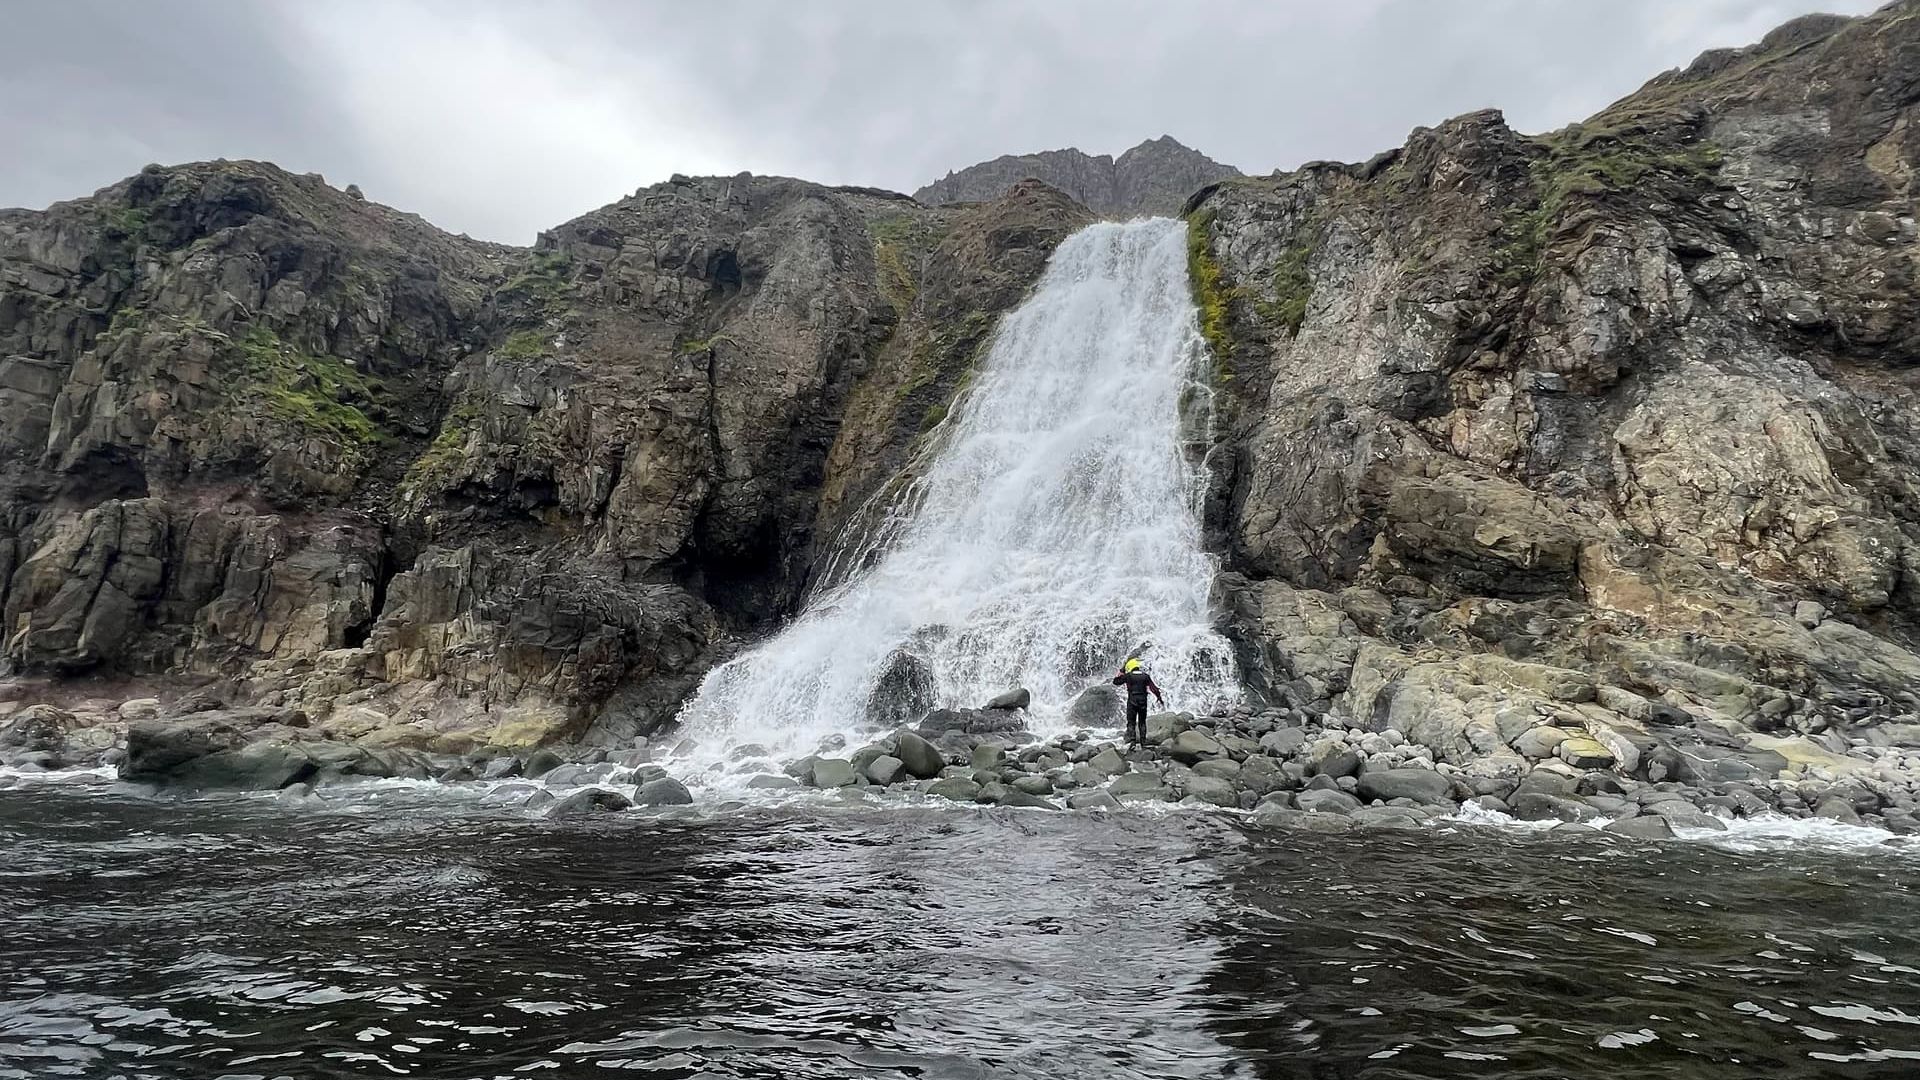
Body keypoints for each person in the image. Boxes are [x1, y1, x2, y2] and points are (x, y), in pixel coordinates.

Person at [1111, 658, 1165, 748]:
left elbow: (1115, 682)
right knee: (1142, 722)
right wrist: (1159, 698)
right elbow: (1154, 688)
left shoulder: (1128, 676)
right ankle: (1143, 743)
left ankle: (1133, 742)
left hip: (1132, 701)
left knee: (1131, 722)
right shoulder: (1145, 676)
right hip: (1143, 701)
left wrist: (1120, 673)